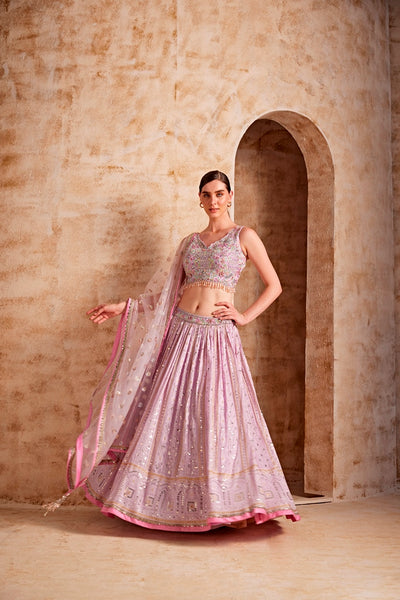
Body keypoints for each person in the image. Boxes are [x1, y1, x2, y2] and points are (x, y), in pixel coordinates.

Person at [45, 170, 300, 531]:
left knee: (216, 414)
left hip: (216, 337)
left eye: (219, 193)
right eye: (206, 195)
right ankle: (170, 504)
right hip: (181, 332)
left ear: (230, 196)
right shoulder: (190, 243)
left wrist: (243, 316)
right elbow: (166, 296)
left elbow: (274, 285)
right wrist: (124, 307)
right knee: (173, 415)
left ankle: (227, 503)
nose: (213, 201)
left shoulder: (244, 236)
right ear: (199, 199)